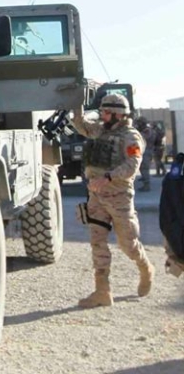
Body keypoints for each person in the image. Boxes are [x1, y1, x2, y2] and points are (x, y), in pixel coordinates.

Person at [72, 93, 155, 308]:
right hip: (96, 197)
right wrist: (76, 104)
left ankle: (145, 268)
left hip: (119, 198)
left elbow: (132, 165)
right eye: (102, 111)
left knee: (128, 244)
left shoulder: (131, 137)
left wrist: (107, 177)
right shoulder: (101, 130)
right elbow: (81, 125)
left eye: (106, 112)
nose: (102, 115)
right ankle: (102, 291)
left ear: (119, 114)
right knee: (97, 242)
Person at [135, 116, 155, 191]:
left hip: (147, 151)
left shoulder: (147, 130)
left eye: (139, 123)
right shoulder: (145, 129)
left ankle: (147, 185)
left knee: (144, 169)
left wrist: (136, 132)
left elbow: (142, 137)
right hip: (144, 151)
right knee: (142, 168)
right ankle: (145, 183)